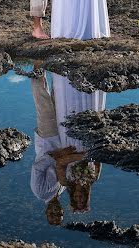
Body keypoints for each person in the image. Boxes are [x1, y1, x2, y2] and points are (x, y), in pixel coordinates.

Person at [30, 68, 105, 223]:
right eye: (59, 214)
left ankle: (37, 67)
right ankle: (55, 69)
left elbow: (37, 167)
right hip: (63, 138)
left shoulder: (40, 192)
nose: (56, 211)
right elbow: (93, 161)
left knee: (42, 102)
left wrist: (56, 155)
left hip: (47, 141)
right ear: (63, 210)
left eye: (52, 214)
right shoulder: (63, 188)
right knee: (58, 97)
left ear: (47, 212)